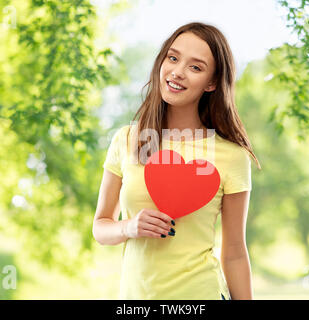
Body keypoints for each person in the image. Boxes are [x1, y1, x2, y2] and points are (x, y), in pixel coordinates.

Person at [93, 22, 261, 300]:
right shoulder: (129, 141)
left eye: (195, 67)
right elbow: (100, 226)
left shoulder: (231, 156)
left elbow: (234, 253)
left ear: (211, 83)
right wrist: (129, 227)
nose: (178, 72)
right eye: (173, 58)